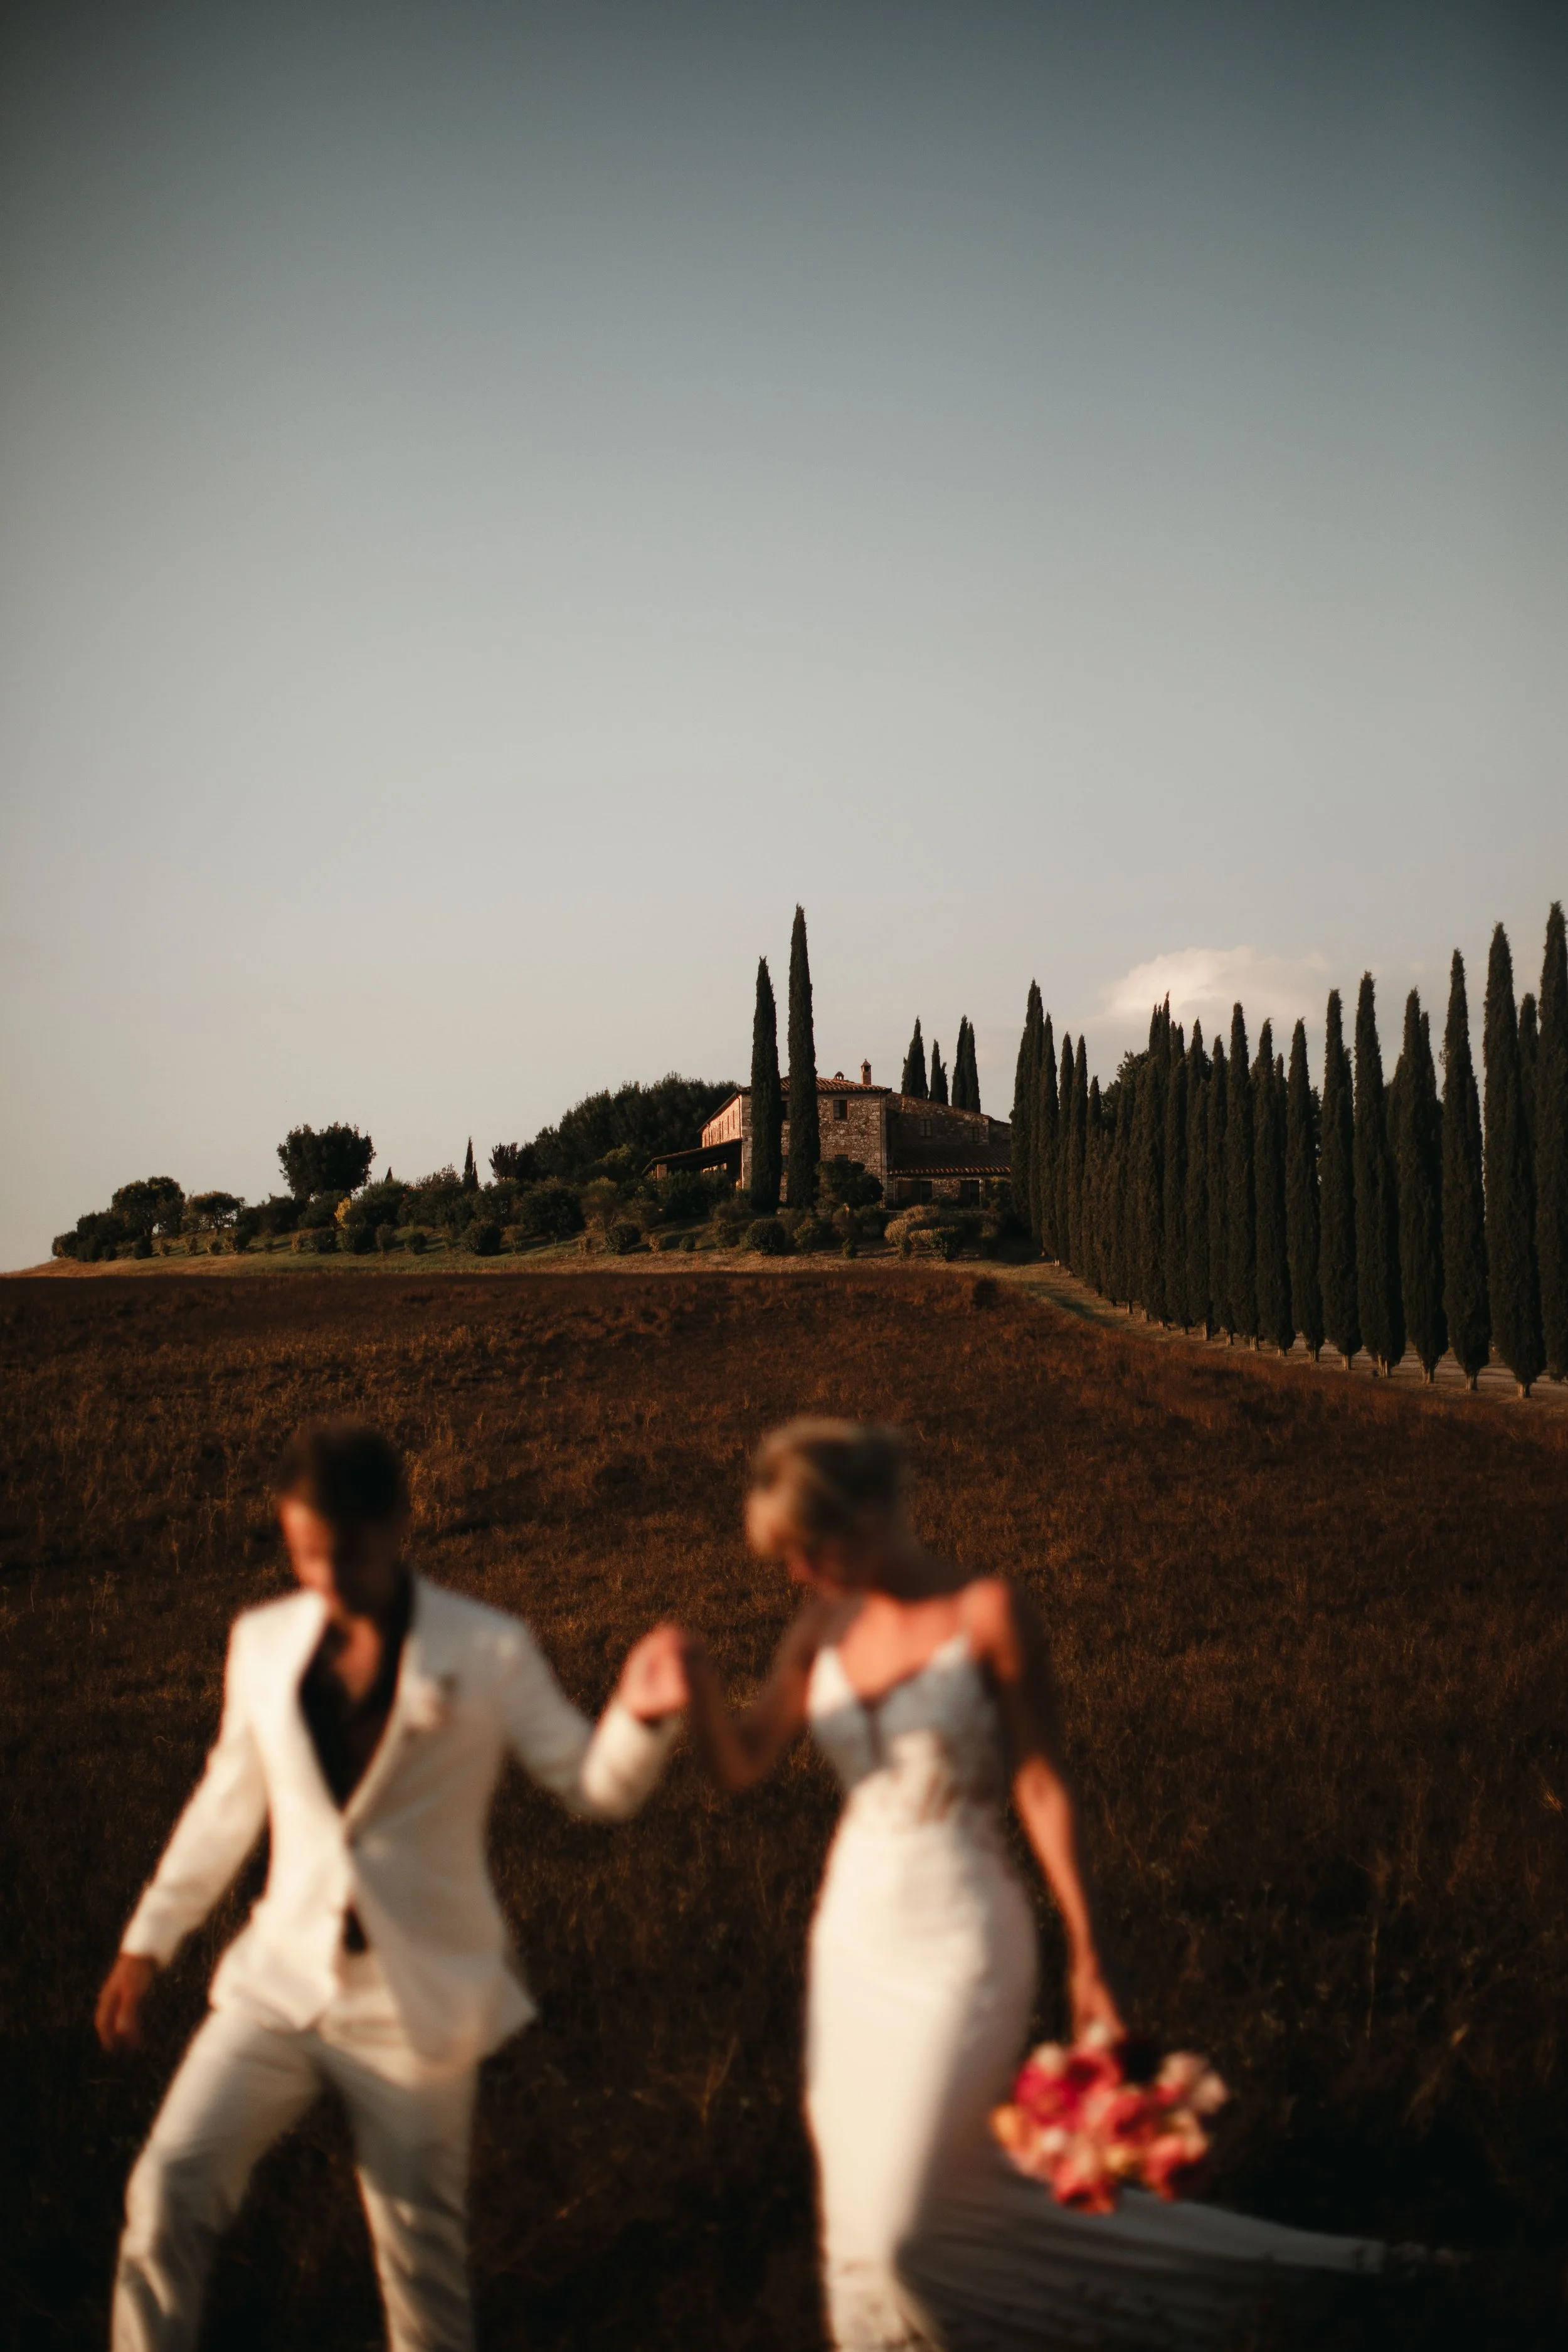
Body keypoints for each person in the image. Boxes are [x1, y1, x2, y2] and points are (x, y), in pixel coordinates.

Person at [679, 1418, 1385, 2351]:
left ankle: (1302, 2297)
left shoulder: (989, 1612)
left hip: (962, 1934)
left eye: (813, 1548)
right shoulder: (821, 1625)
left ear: (873, 1513)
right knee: (863, 2214)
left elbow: (1043, 1781)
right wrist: (691, 1692)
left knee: (910, 2223)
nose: (800, 1574)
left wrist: (1091, 1948)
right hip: (852, 1936)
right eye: (790, 1557)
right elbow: (744, 1760)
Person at [95, 1421, 686, 2352]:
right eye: (303, 1557)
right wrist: (147, 1939)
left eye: (346, 1553)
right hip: (279, 1982)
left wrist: (641, 1716)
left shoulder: (488, 1648)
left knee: (420, 2270)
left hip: (418, 2003)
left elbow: (593, 1785)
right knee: (166, 2191)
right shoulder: (261, 1641)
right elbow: (226, 1800)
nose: (325, 1579)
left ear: (400, 1523)